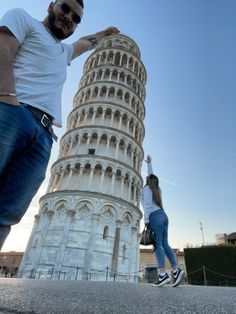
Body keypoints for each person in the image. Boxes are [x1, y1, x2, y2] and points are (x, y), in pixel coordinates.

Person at [0, 0, 120, 250]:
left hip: (44, 135)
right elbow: (2, 50)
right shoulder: (23, 19)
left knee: (7, 212)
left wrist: (103, 34)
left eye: (76, 18)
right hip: (14, 112)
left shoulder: (63, 52)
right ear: (51, 5)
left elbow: (84, 44)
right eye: (65, 9)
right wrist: (8, 99)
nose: (69, 18)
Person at [141, 155, 185, 287]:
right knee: (165, 244)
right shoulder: (156, 189)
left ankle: (162, 274)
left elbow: (147, 206)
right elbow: (152, 176)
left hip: (154, 216)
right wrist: (149, 164)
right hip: (163, 215)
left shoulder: (146, 189)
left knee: (158, 245)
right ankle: (176, 271)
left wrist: (147, 221)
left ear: (148, 181)